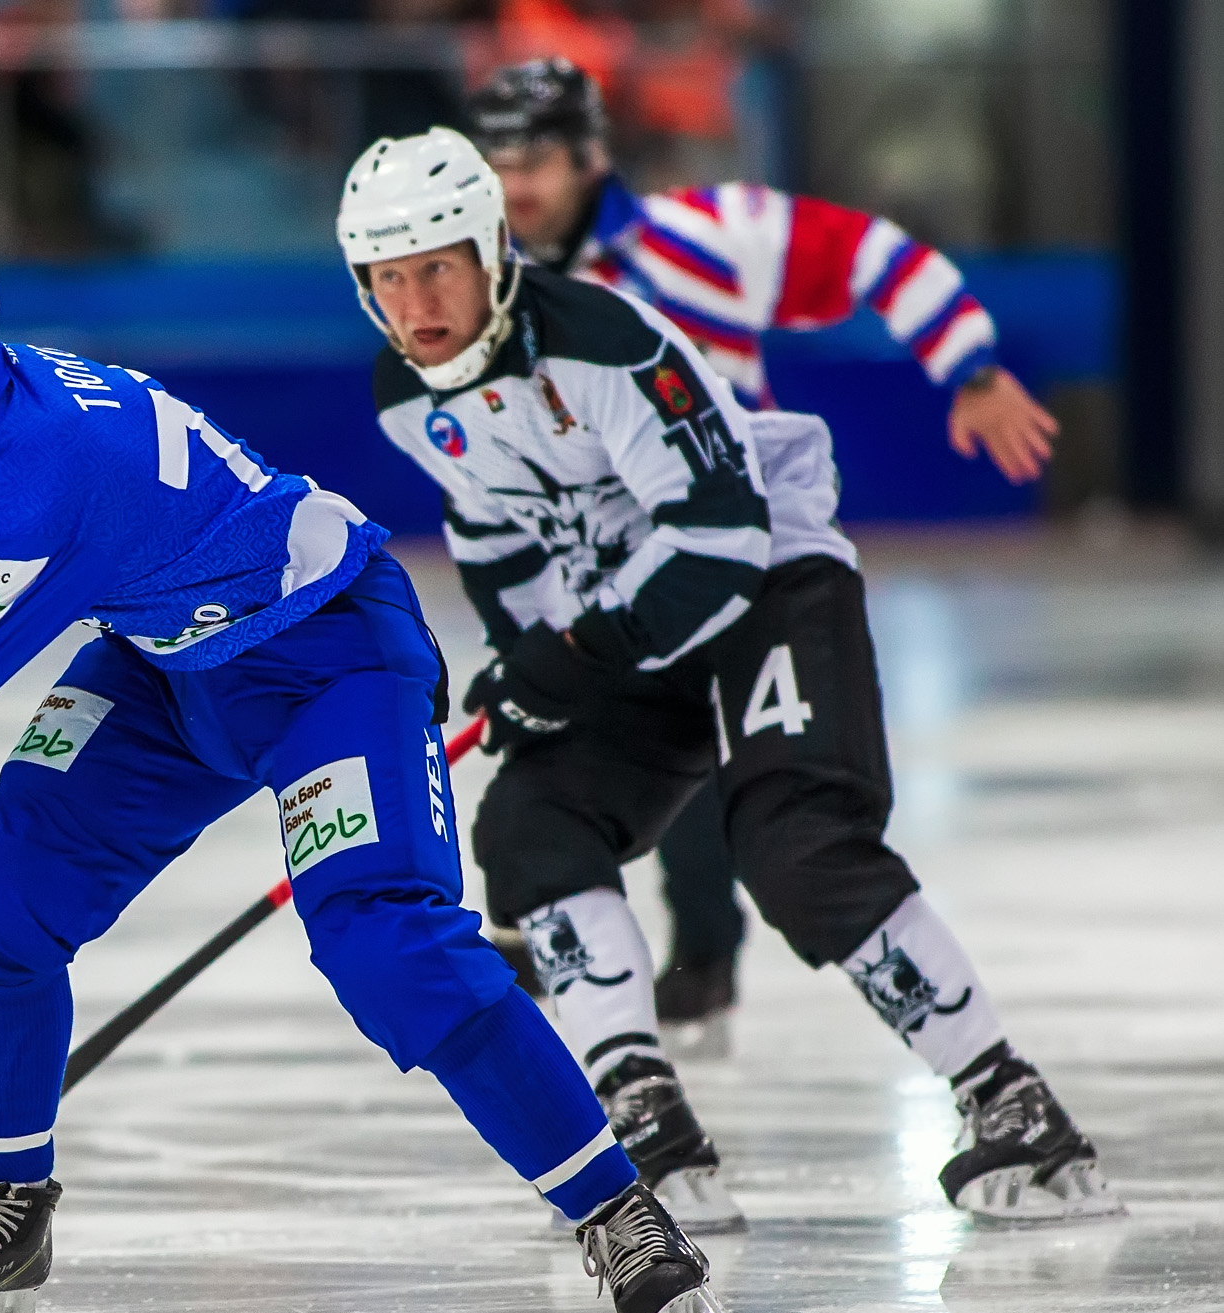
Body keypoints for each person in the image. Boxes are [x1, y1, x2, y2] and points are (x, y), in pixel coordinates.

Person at [0, 209, 737, 1313]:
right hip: (165, 672)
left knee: (386, 944)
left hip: (328, 665)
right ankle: (5, 1206)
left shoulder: (42, 474)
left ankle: (615, 1206)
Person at [344, 127, 1119, 1236]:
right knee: (529, 823)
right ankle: (644, 1115)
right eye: (386, 276)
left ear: (489, 251)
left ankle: (1010, 1102)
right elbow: (499, 540)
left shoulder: (602, 341)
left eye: (435, 266)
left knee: (794, 845)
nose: (415, 301)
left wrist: (572, 655)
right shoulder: (403, 393)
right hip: (632, 614)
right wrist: (526, 659)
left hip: (766, 580)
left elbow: (718, 540)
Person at [465, 57, 1063, 1057]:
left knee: (736, 781)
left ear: (590, 159)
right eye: (498, 164)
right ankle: (614, 933)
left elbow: (879, 256)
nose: (517, 186)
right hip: (600, 579)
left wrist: (971, 369)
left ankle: (699, 965)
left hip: (728, 561)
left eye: (536, 161)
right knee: (574, 752)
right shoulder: (484, 294)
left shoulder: (702, 238)